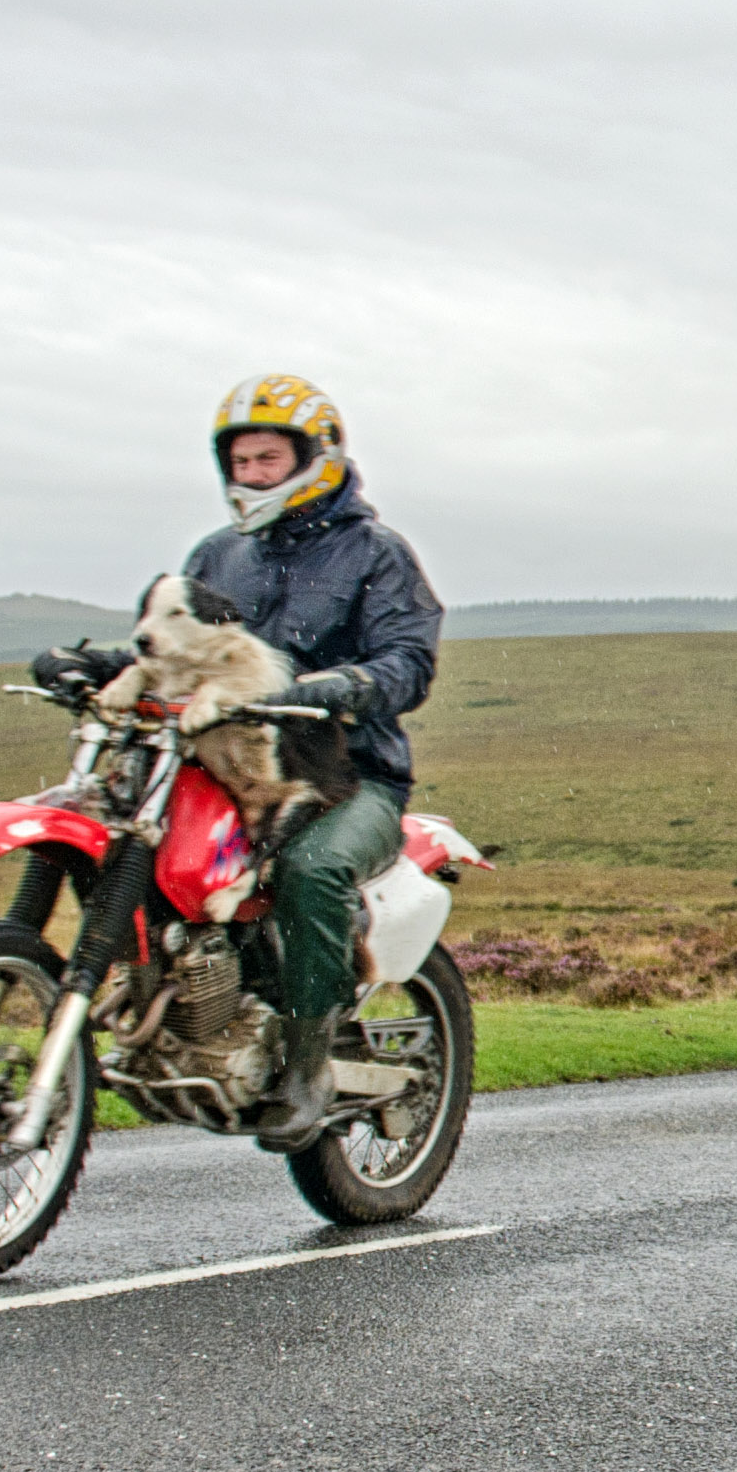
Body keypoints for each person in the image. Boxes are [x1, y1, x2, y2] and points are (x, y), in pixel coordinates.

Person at [39, 374, 441, 1148]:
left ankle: (308, 1064)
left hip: (343, 776)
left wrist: (345, 686)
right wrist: (98, 664)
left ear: (315, 456)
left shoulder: (376, 555)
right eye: (241, 461)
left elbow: (409, 662)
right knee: (139, 846)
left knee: (312, 869)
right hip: (221, 762)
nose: (250, 475)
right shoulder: (218, 557)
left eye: (267, 459)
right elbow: (184, 644)